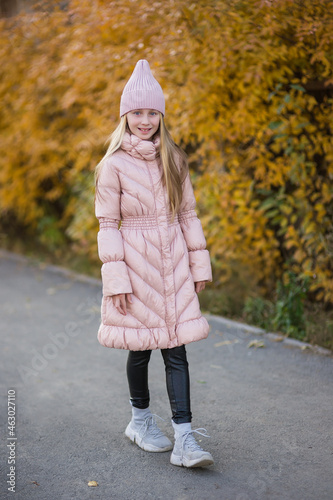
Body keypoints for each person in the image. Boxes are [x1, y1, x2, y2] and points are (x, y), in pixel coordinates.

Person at [94, 60, 214, 468]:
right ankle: (140, 421)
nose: (145, 121)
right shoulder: (111, 166)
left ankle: (185, 440)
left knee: (175, 348)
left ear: (161, 115)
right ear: (125, 115)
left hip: (174, 262)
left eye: (152, 112)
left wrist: (199, 266)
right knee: (141, 348)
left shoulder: (174, 160)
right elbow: (108, 225)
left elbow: (188, 216)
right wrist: (116, 280)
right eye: (137, 112)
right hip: (134, 264)